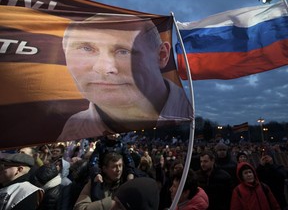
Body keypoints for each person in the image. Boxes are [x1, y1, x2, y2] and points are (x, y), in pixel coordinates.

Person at [58, 14, 193, 141]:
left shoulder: (191, 112)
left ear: (162, 55)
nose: (103, 68)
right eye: (86, 49)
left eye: (123, 51)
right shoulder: (73, 128)